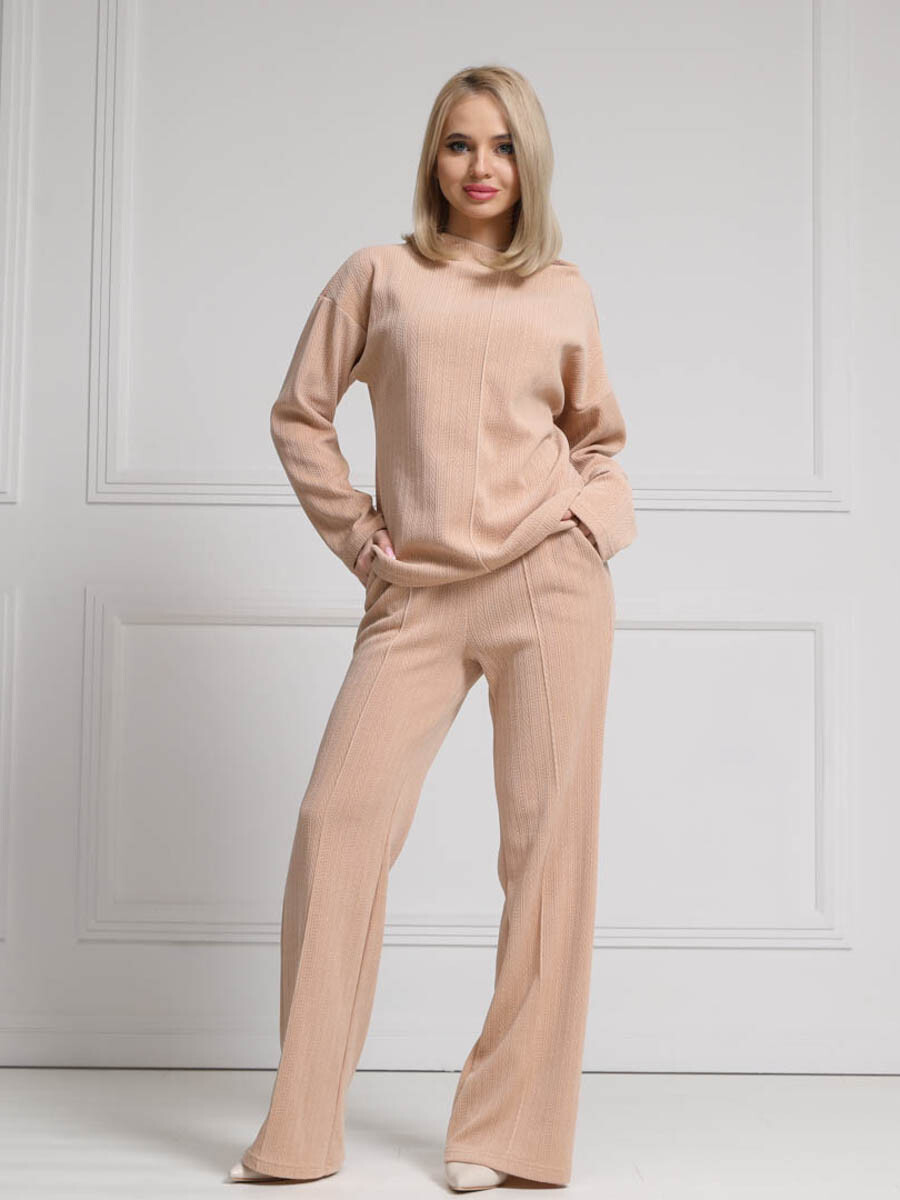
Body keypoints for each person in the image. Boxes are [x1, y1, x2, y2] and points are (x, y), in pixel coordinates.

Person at [229, 64, 637, 1191]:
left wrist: (589, 526)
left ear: (528, 161)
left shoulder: (562, 291)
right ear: (433, 159)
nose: (480, 166)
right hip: (415, 592)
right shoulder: (379, 275)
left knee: (547, 856)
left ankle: (506, 1135)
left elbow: (599, 440)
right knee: (337, 824)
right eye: (459, 144)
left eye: (501, 145)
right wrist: (360, 537)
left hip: (550, 585)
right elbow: (300, 414)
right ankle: (299, 1133)